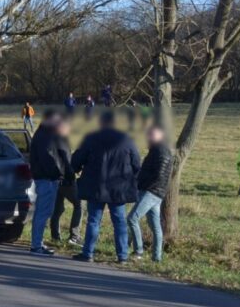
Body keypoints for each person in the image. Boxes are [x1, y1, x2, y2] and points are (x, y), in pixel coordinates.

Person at [71, 111, 141, 263]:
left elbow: (76, 160)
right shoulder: (126, 139)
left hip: (96, 187)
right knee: (119, 221)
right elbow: (136, 164)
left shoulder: (90, 138)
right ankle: (122, 256)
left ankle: (88, 253)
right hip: (118, 188)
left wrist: (75, 169)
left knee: (93, 220)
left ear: (100, 123)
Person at [129, 125, 172, 261]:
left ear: (160, 136)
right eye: (148, 134)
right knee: (155, 226)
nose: (148, 137)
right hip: (155, 192)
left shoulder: (161, 151)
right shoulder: (155, 150)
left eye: (152, 135)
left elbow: (158, 175)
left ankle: (138, 252)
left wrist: (143, 185)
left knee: (132, 218)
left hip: (151, 192)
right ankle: (157, 257)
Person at [27, 111, 65, 256]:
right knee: (43, 212)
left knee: (43, 212)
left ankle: (38, 243)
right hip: (47, 179)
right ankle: (36, 245)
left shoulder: (41, 135)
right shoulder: (45, 137)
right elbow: (49, 159)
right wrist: (58, 173)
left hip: (44, 178)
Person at [49, 116, 83, 247]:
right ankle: (75, 235)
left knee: (57, 209)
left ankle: (55, 235)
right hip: (65, 179)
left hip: (54, 179)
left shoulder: (50, 139)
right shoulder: (62, 141)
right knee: (79, 204)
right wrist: (71, 175)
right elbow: (67, 160)